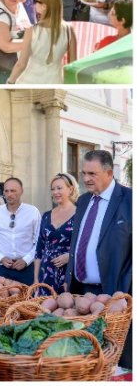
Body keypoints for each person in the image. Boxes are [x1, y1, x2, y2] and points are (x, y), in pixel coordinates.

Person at [67, 149, 132, 367]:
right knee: (86, 357)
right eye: (84, 173)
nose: (86, 179)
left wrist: (125, 290)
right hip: (81, 294)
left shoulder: (129, 200)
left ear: (109, 172)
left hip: (114, 294)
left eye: (92, 174)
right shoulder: (83, 200)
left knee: (116, 359)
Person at [9, 0, 76, 84]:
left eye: (36, 0)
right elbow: (73, 65)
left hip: (29, 81)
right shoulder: (69, 30)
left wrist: (10, 81)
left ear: (44, 6)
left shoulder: (32, 30)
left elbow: (21, 64)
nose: (34, 3)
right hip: (56, 81)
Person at [0, 177, 41, 285]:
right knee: (2, 300)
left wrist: (26, 260)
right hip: (2, 268)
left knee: (27, 300)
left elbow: (39, 241)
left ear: (21, 191)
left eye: (13, 190)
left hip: (26, 268)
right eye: (6, 191)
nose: (9, 194)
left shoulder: (32, 212)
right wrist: (1, 258)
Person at [34, 173, 79, 295]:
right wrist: (36, 279)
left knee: (67, 311)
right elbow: (39, 249)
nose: (55, 192)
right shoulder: (46, 215)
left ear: (70, 189)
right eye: (53, 189)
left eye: (59, 188)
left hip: (69, 273)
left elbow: (86, 245)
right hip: (46, 274)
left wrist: (70, 256)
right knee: (44, 311)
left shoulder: (80, 214)